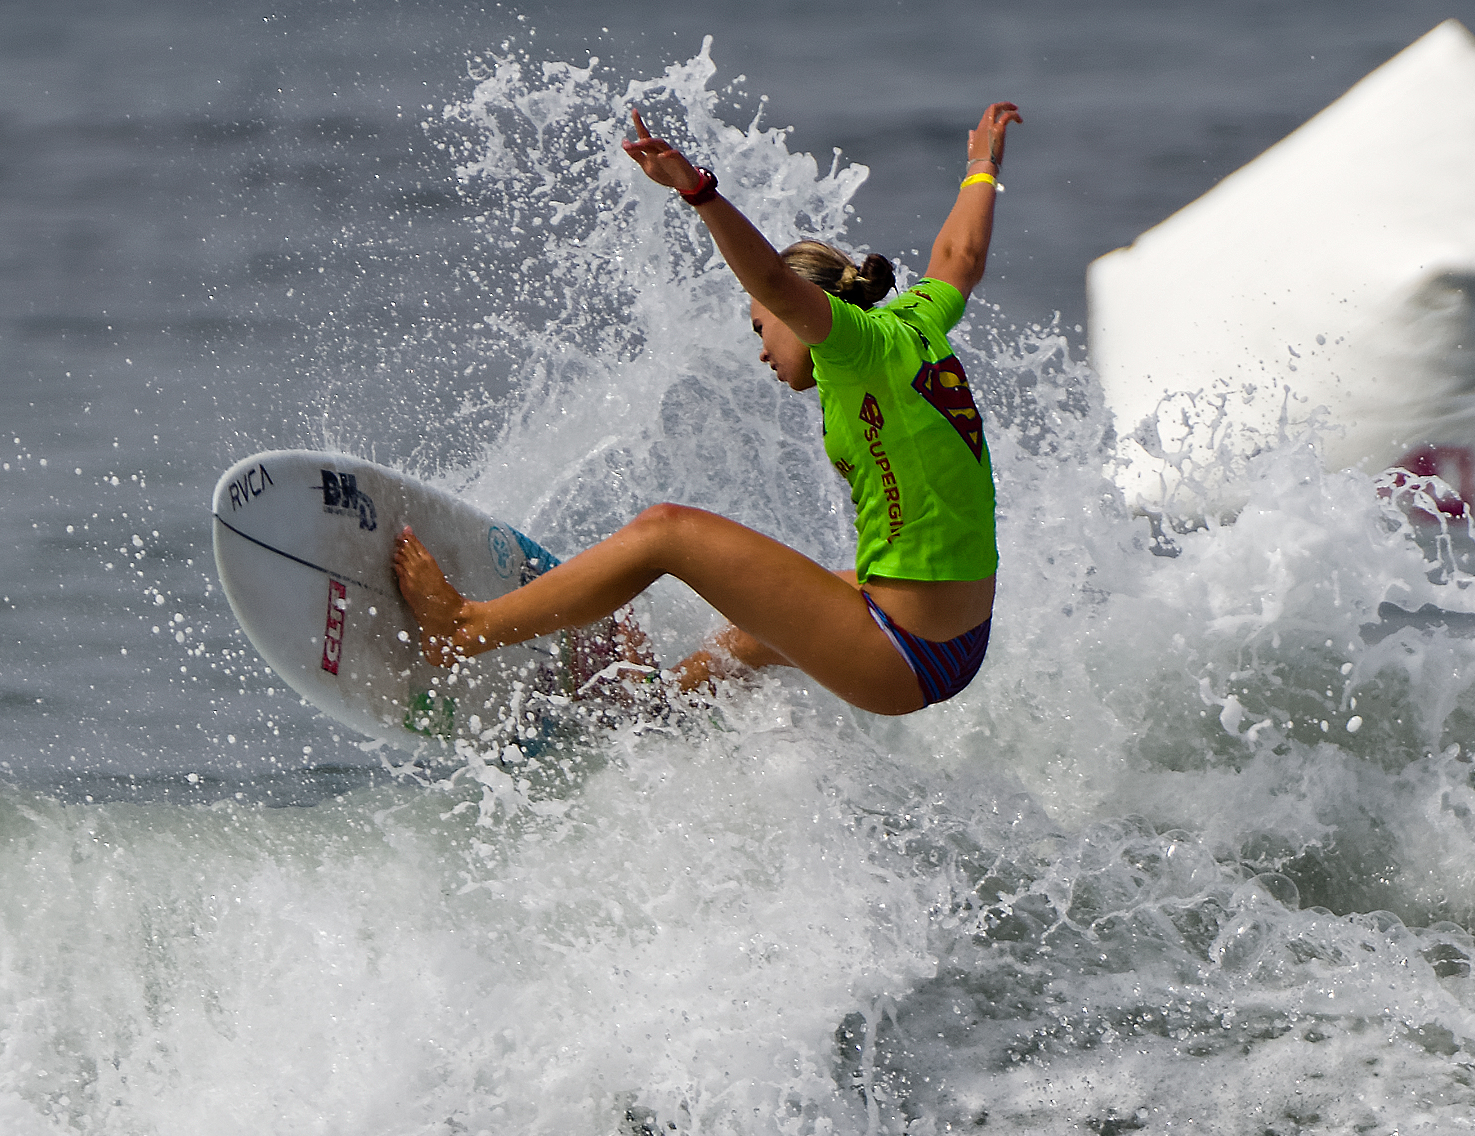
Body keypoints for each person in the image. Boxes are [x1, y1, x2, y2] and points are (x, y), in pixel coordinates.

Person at [392, 100, 1024, 716]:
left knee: (665, 531)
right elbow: (959, 260)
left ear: (799, 313)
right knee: (747, 636)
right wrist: (981, 167)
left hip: (900, 651)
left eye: (759, 330)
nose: (761, 353)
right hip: (959, 638)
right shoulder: (914, 321)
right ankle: (656, 710)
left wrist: (698, 191)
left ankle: (461, 631)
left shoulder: (852, 345)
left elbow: (773, 283)